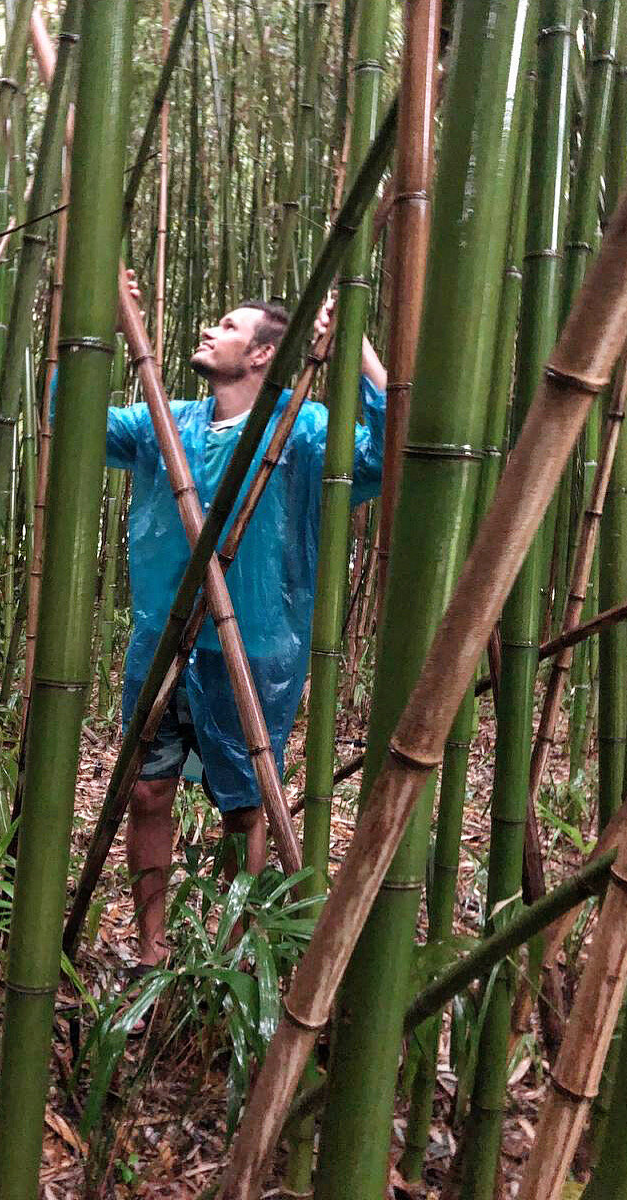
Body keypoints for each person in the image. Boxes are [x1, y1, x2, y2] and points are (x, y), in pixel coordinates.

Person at [104, 285, 387, 972]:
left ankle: (229, 958)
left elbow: (392, 443)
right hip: (163, 642)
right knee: (147, 790)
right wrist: (87, 311)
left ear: (262, 352)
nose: (208, 329)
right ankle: (153, 949)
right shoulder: (164, 424)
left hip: (253, 650)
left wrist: (356, 345)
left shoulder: (302, 429)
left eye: (226, 326)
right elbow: (69, 412)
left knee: (242, 806)